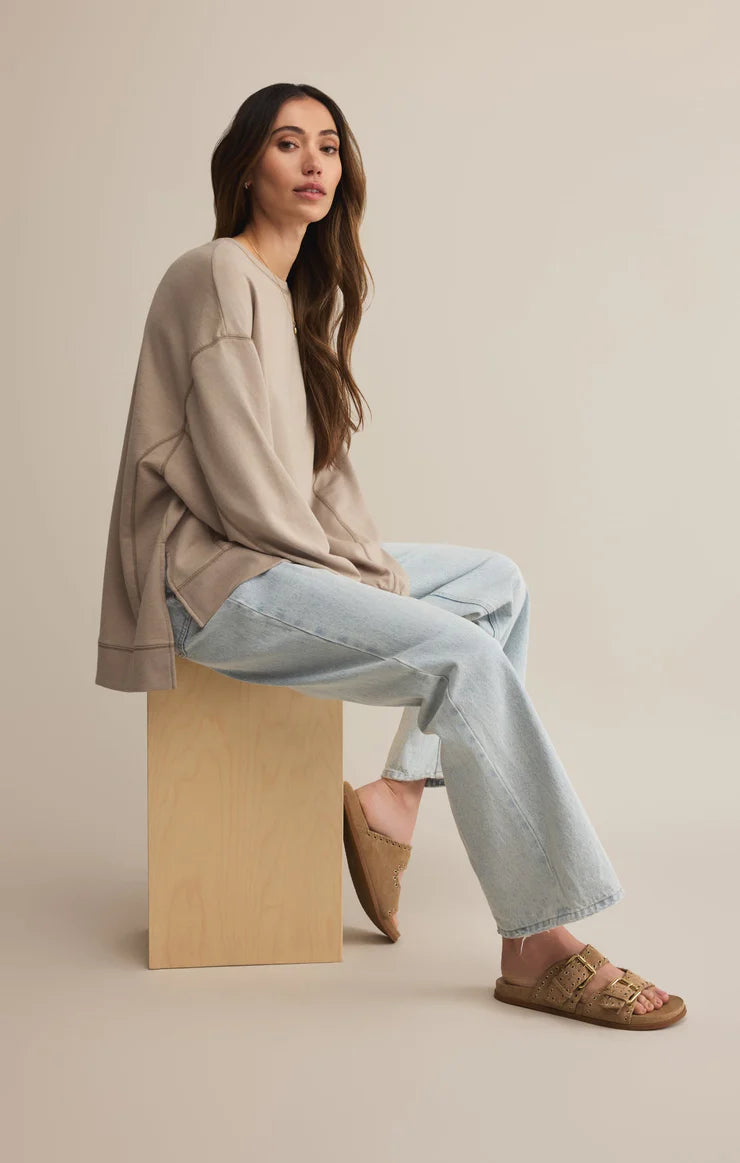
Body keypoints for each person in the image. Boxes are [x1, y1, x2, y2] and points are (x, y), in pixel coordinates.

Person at [96, 81, 685, 1030]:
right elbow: (247, 496)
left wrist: (373, 574)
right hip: (212, 583)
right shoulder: (214, 275)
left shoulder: (292, 298)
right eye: (288, 143)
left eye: (328, 144)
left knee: (495, 587)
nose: (314, 161)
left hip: (273, 561)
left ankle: (393, 801)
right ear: (246, 167)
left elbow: (323, 486)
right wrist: (368, 592)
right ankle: (539, 941)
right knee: (462, 655)